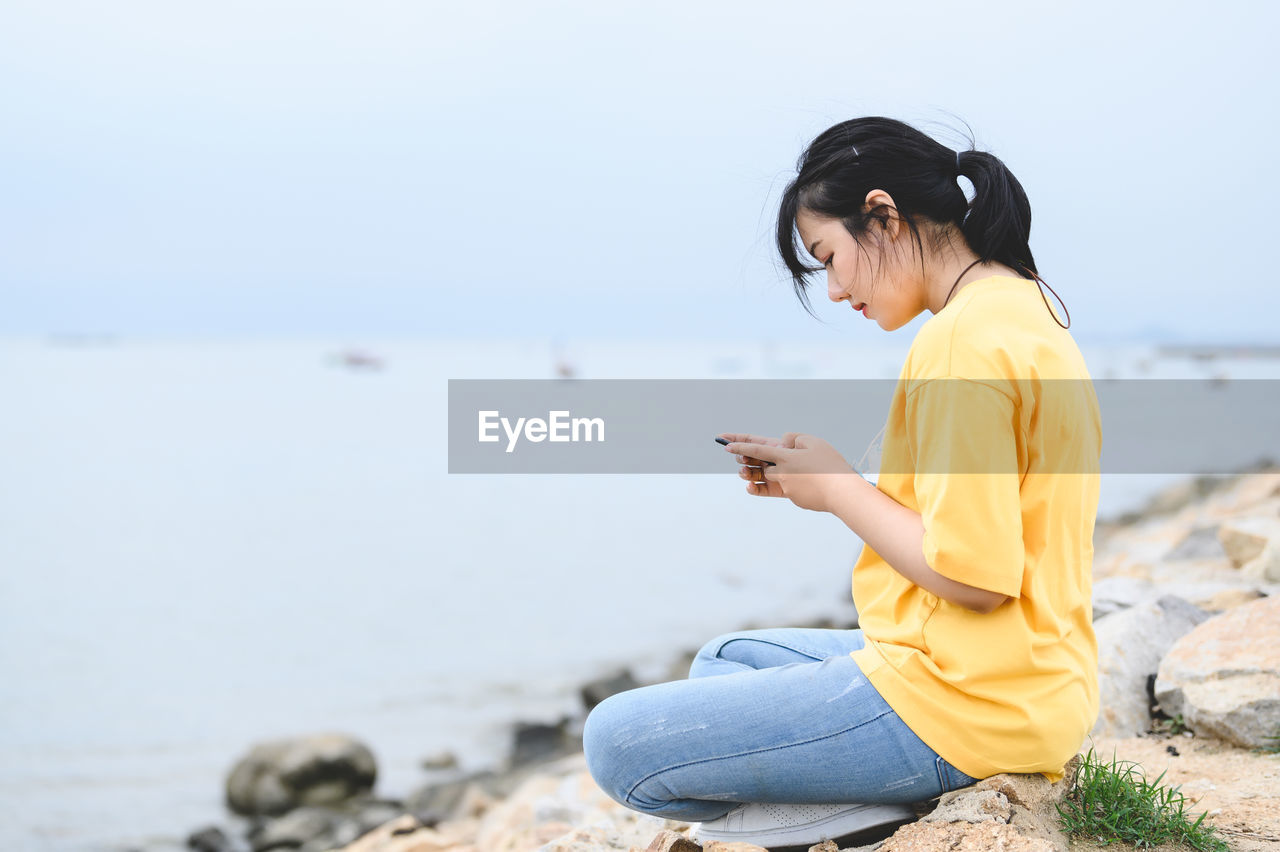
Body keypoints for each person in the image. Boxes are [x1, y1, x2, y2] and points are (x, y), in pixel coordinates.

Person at [581, 116, 1102, 849]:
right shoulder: (1021, 304)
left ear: (883, 215)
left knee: (615, 744)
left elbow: (979, 577)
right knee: (724, 662)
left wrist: (838, 491)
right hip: (1032, 678)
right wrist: (830, 479)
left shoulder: (962, 347)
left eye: (829, 257)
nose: (832, 290)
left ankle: (863, 810)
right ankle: (856, 788)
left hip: (970, 703)